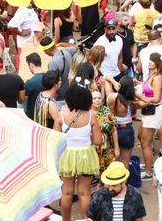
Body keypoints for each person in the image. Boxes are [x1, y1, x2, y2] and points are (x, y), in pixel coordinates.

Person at [59, 83, 102, 221]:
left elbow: (55, 139)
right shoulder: (91, 116)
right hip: (85, 156)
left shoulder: (61, 116)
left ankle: (65, 219)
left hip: (66, 156)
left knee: (67, 192)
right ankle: (85, 218)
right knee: (84, 193)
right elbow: (98, 141)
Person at [138, 52, 162, 181]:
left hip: (153, 112)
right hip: (147, 111)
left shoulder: (158, 77)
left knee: (146, 143)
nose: (149, 62)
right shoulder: (152, 75)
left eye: (152, 61)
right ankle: (149, 164)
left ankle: (149, 172)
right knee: (141, 137)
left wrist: (141, 99)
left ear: (158, 63)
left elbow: (156, 97)